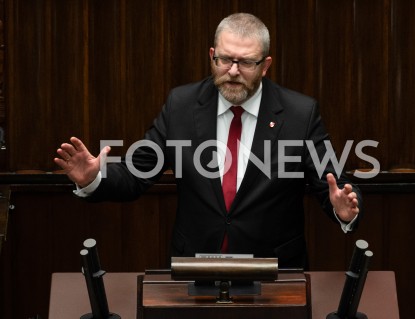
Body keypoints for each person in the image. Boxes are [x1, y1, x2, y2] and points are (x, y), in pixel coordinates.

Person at [54, 13, 362, 269]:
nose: (232, 71)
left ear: (265, 65)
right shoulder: (182, 105)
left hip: (274, 273)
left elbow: (332, 182)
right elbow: (137, 173)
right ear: (212, 56)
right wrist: (95, 177)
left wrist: (344, 208)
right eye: (224, 60)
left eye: (246, 63)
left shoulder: (299, 114)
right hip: (194, 268)